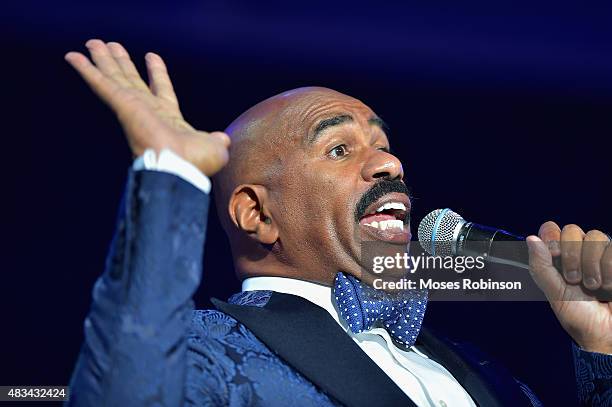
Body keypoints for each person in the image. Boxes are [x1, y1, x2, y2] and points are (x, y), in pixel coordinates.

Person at [63, 39, 612, 406]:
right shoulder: (204, 348)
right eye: (338, 149)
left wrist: (601, 346)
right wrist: (171, 176)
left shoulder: (485, 373)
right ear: (257, 214)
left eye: (383, 145)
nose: (389, 163)